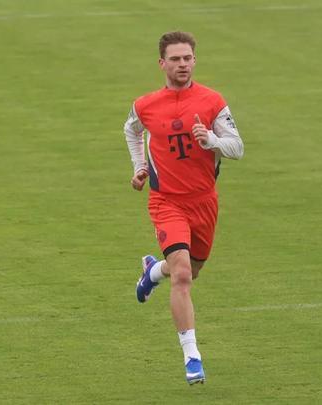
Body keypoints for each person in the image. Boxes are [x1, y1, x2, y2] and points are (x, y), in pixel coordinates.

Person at [123, 31, 244, 385]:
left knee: (192, 269)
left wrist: (212, 140)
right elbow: (131, 130)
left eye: (187, 58)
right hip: (166, 201)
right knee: (182, 276)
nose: (182, 65)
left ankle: (152, 272)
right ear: (162, 63)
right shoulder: (145, 105)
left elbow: (237, 148)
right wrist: (139, 167)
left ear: (195, 61)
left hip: (204, 201)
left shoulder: (212, 101)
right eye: (175, 59)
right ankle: (192, 356)